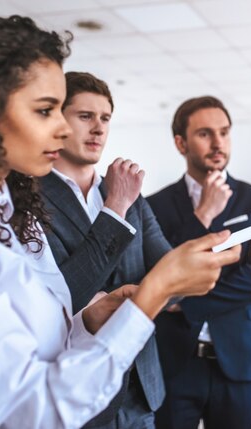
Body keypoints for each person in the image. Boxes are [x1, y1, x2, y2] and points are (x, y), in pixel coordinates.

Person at [0, 15, 240, 429]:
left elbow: (51, 322)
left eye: (105, 118)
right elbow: (25, 410)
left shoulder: (6, 209)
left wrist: (92, 319)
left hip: (133, 387)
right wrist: (153, 289)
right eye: (48, 111)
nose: (63, 128)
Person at [39, 71, 171, 428]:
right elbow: (61, 296)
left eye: (105, 118)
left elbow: (168, 276)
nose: (98, 128)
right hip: (73, 386)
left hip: (139, 388)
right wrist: (116, 206)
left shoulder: (128, 192)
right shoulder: (28, 196)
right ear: (57, 119)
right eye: (85, 116)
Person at [147, 96, 251, 429]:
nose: (218, 142)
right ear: (181, 143)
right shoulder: (153, 206)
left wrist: (182, 301)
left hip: (239, 358)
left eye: (224, 132)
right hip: (175, 362)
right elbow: (159, 271)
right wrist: (203, 214)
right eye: (205, 134)